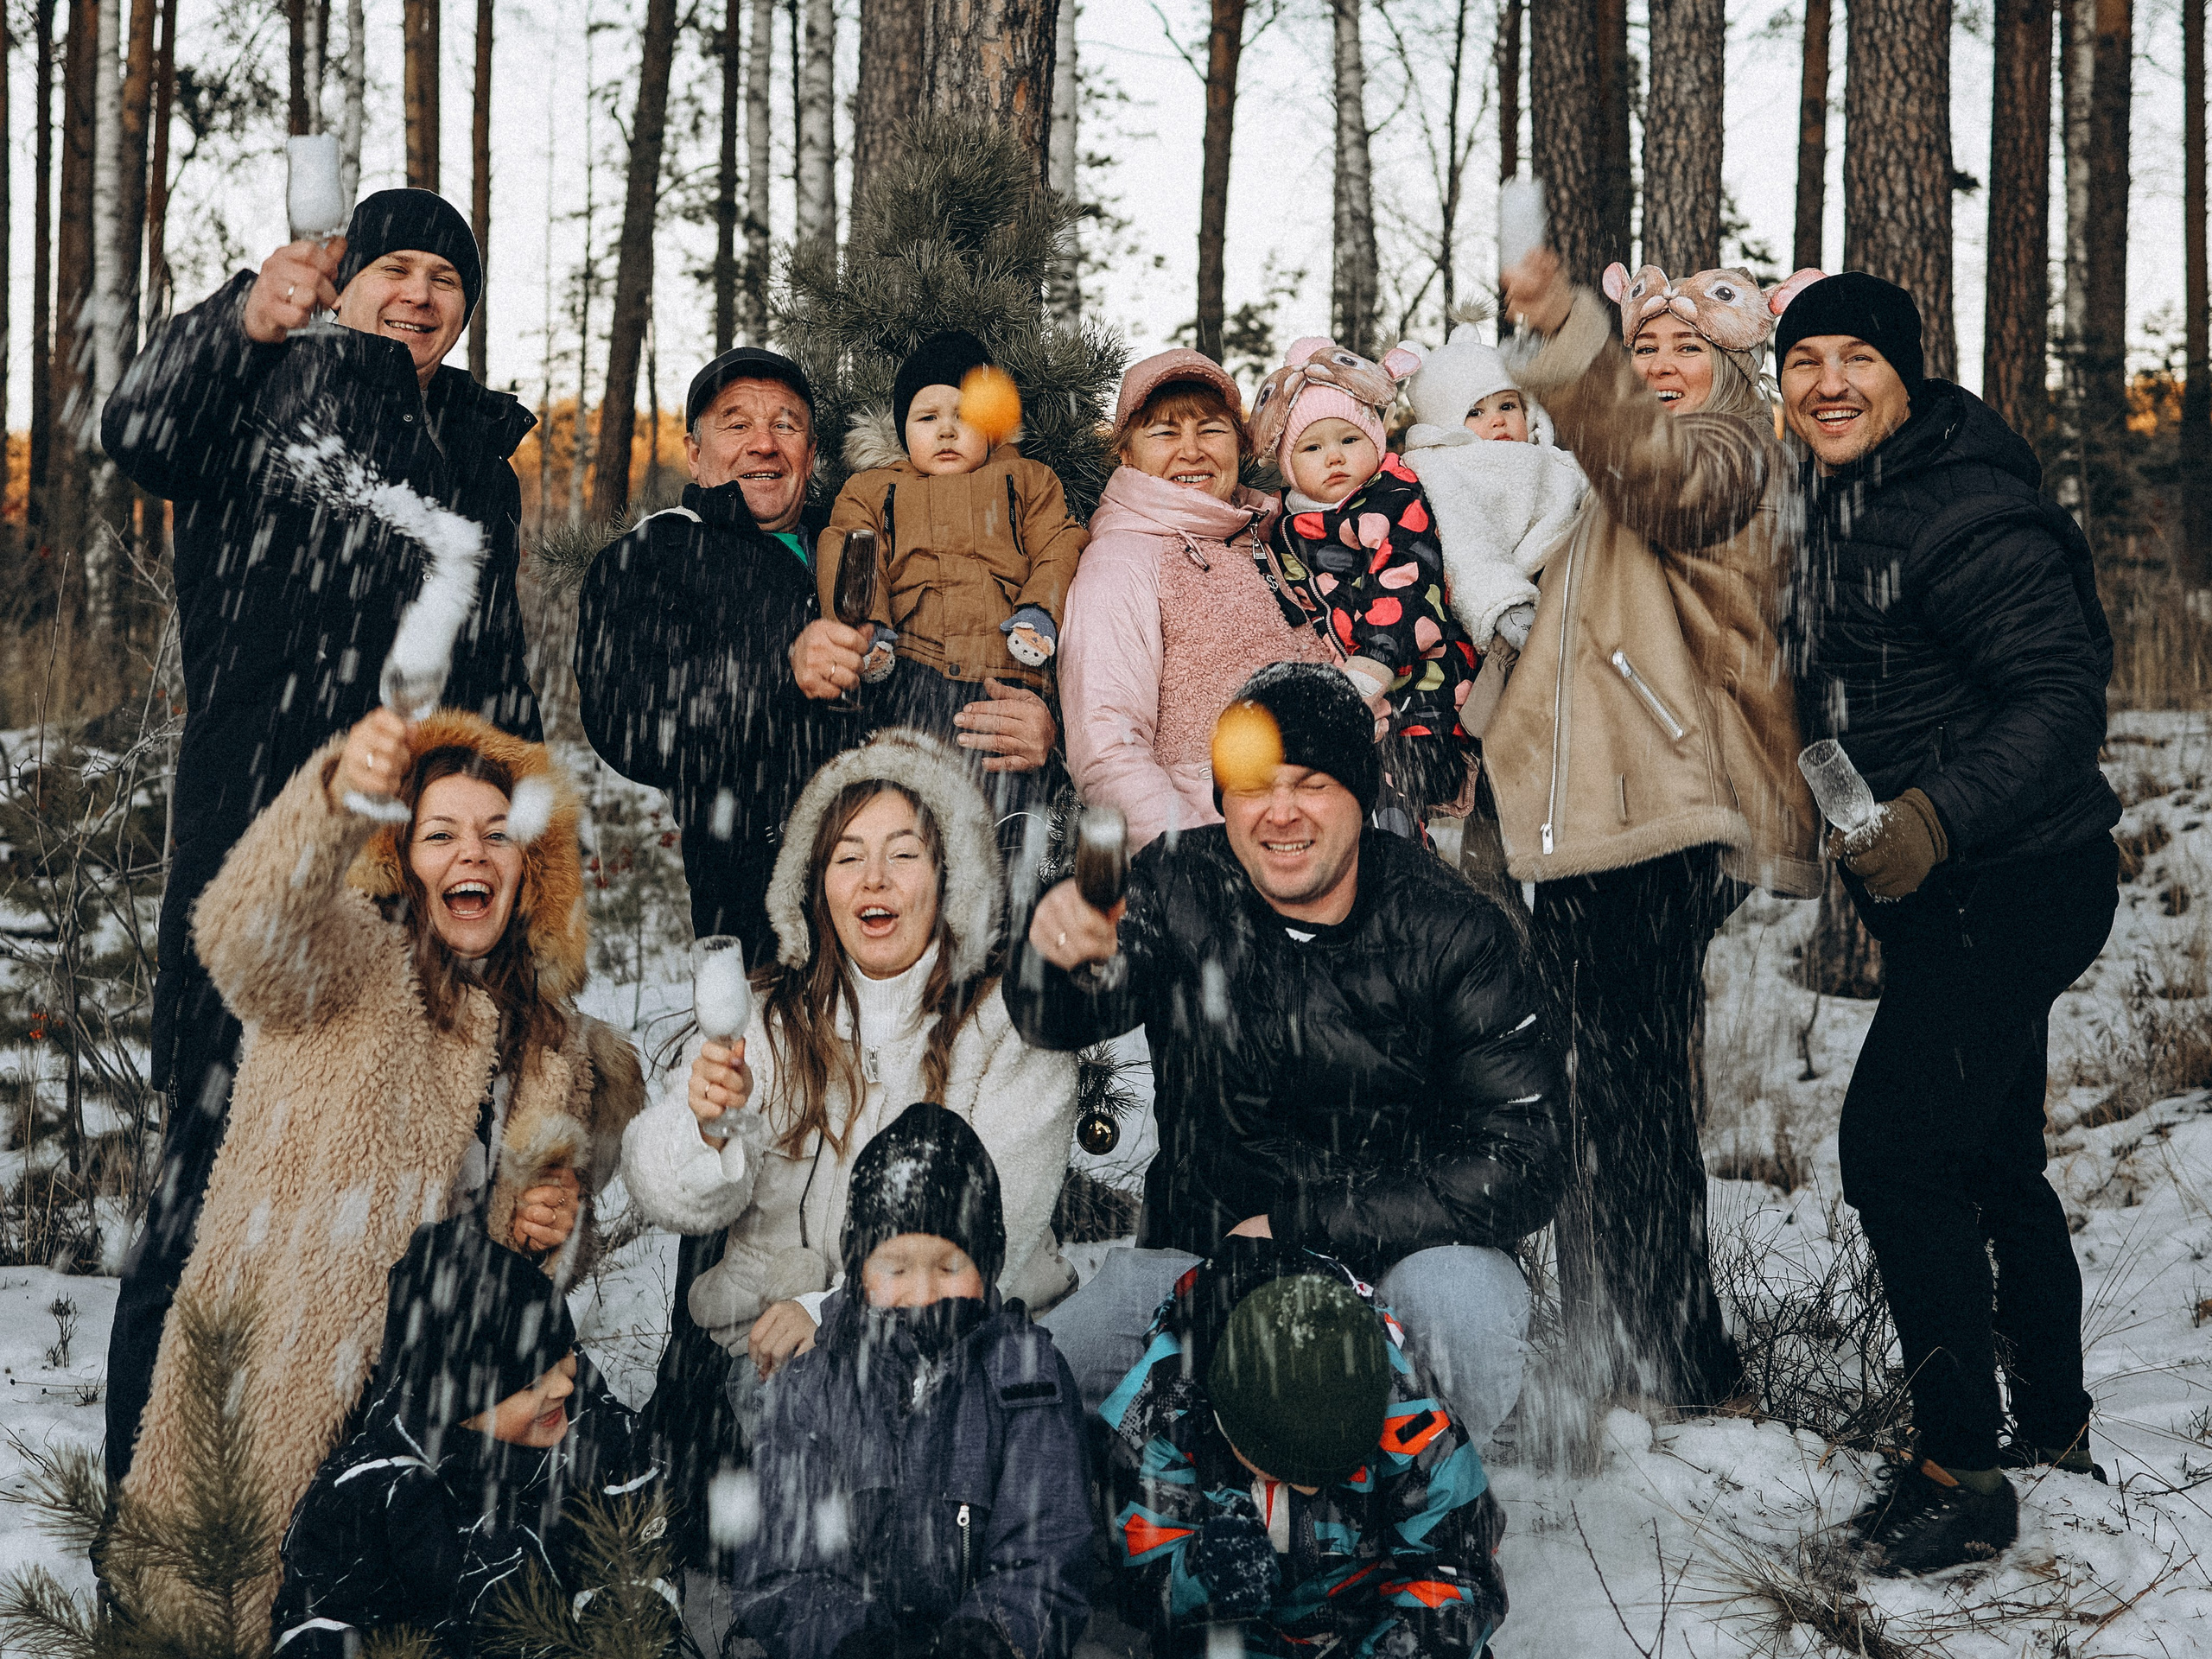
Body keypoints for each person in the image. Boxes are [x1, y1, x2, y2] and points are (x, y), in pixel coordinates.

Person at [99, 188, 544, 1483]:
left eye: (444, 279)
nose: (419, 293)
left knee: (394, 1199)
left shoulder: (477, 458)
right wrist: (240, 315)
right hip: (263, 858)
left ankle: (346, 1515)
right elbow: (139, 430)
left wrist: (510, 846)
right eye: (393, 267)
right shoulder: (256, 392)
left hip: (422, 881)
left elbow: (499, 683)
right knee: (209, 1180)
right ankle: (155, 1511)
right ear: (340, 283)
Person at [119, 707, 645, 1631]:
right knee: (239, 1617)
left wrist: (546, 1231)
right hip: (290, 1382)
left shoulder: (552, 1041)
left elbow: (521, 1280)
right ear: (401, 858)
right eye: (438, 834)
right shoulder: (347, 964)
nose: (470, 856)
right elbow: (242, 931)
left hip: (433, 1429)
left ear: (533, 869)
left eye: (497, 835)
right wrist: (333, 794)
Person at [1774, 271, 2120, 1573]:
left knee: (1898, 1153)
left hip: (2014, 879)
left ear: (1908, 374)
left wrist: (1932, 816)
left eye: (1857, 357)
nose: (1828, 383)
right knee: (1988, 1159)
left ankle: (1959, 1474)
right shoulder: (1836, 490)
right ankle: (2058, 1427)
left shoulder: (1965, 505)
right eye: (1804, 361)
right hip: (1956, 890)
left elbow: (2058, 693)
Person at [1005, 663, 1563, 1448]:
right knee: (1041, 1378)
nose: (1280, 813)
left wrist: (1307, 1224)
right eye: (1254, 787)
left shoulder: (1453, 930)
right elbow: (1058, 1018)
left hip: (1395, 1268)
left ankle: (1421, 1504)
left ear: (1360, 798)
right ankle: (1171, 1500)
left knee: (1463, 1307)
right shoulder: (1177, 882)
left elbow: (1522, 1160)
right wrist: (1054, 951)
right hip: (1205, 1264)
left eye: (1311, 784)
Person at [1484, 252, 1821, 1433]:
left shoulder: (1727, 455)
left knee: (1622, 1088)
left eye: (1694, 348)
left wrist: (1572, 336)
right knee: (1597, 1085)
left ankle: (1675, 1360)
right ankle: (1613, 1343)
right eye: (1650, 349)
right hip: (1592, 825)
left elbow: (1662, 478)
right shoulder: (1596, 486)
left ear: (1734, 368)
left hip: (1667, 812)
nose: (1670, 366)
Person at [620, 729, 1081, 1436]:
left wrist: (835, 1311)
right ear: (815, 885)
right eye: (848, 858)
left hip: (964, 1346)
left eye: (904, 855)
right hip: (777, 1359)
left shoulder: (1008, 1025)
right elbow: (663, 1194)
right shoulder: (770, 1018)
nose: (875, 880)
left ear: (950, 875)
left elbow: (997, 1235)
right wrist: (705, 1129)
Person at [733, 1103, 1093, 1659]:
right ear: (858, 1269)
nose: (922, 1294)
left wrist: (990, 1638)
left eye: (949, 1267)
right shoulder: (812, 1386)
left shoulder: (1028, 1381)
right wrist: (850, 1641)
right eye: (896, 1268)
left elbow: (1047, 1556)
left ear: (988, 1264)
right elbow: (781, 1567)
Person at [271, 1219, 664, 1659]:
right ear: (463, 1403)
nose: (564, 1387)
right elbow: (317, 1622)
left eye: (564, 1356)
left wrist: (626, 1623)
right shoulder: (373, 1495)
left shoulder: (590, 1429)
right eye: (532, 1383)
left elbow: (643, 1529)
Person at [1103, 1240, 1507, 1658]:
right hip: (1236, 1639)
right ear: (1226, 1422)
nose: (1309, 1491)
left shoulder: (1403, 1402)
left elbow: (1460, 1569)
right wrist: (1202, 1577)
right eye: (1286, 1469)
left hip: (1378, 1624)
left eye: (1334, 1469)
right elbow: (1140, 1587)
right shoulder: (1157, 1413)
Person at [575, 346, 842, 961]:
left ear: (811, 451)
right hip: (754, 904)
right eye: (736, 423)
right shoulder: (653, 557)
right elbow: (627, 722)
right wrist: (778, 670)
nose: (764, 444)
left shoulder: (858, 541)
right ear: (696, 454)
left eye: (785, 424)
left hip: (903, 889)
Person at [1059, 349, 1334, 850]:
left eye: (1210, 429)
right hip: (1221, 859)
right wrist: (1191, 859)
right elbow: (1107, 745)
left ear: (1239, 444)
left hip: (1324, 848)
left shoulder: (1278, 540)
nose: (1191, 451)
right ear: (1126, 455)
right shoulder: (1122, 560)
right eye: (1164, 433)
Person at [812, 329, 1088, 819]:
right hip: (912, 673)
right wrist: (868, 626)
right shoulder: (872, 490)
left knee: (1006, 809)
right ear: (904, 431)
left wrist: (1040, 611)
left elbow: (1060, 544)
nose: (945, 430)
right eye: (927, 417)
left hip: (1004, 675)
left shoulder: (1026, 480)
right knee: (913, 808)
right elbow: (850, 551)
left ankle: (1022, 851)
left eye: (964, 417)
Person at [1248, 337, 1481, 829]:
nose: (1333, 457)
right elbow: (1304, 605)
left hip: (1423, 682)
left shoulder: (1393, 496)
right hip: (1355, 691)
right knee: (1351, 801)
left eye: (1349, 440)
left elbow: (1405, 581)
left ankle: (1414, 874)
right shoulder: (1288, 524)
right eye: (1312, 447)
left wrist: (1374, 662)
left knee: (1401, 796)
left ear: (1374, 440)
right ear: (1290, 467)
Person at [1398, 324, 1586, 652]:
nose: (1498, 420)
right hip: (1510, 599)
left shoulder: (1551, 459)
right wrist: (1505, 602)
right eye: (1475, 412)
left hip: (1572, 575)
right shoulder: (1445, 468)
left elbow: (1587, 488)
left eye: (1508, 406)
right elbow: (1466, 545)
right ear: (1445, 424)